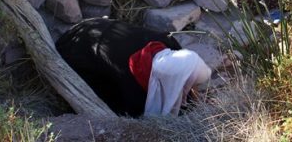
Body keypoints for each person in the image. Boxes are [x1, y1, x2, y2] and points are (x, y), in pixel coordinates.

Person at [56, 18, 212, 117]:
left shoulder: (172, 46)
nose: (195, 89)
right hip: (79, 47)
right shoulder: (134, 91)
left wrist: (196, 106)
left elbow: (189, 78)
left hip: (102, 30)